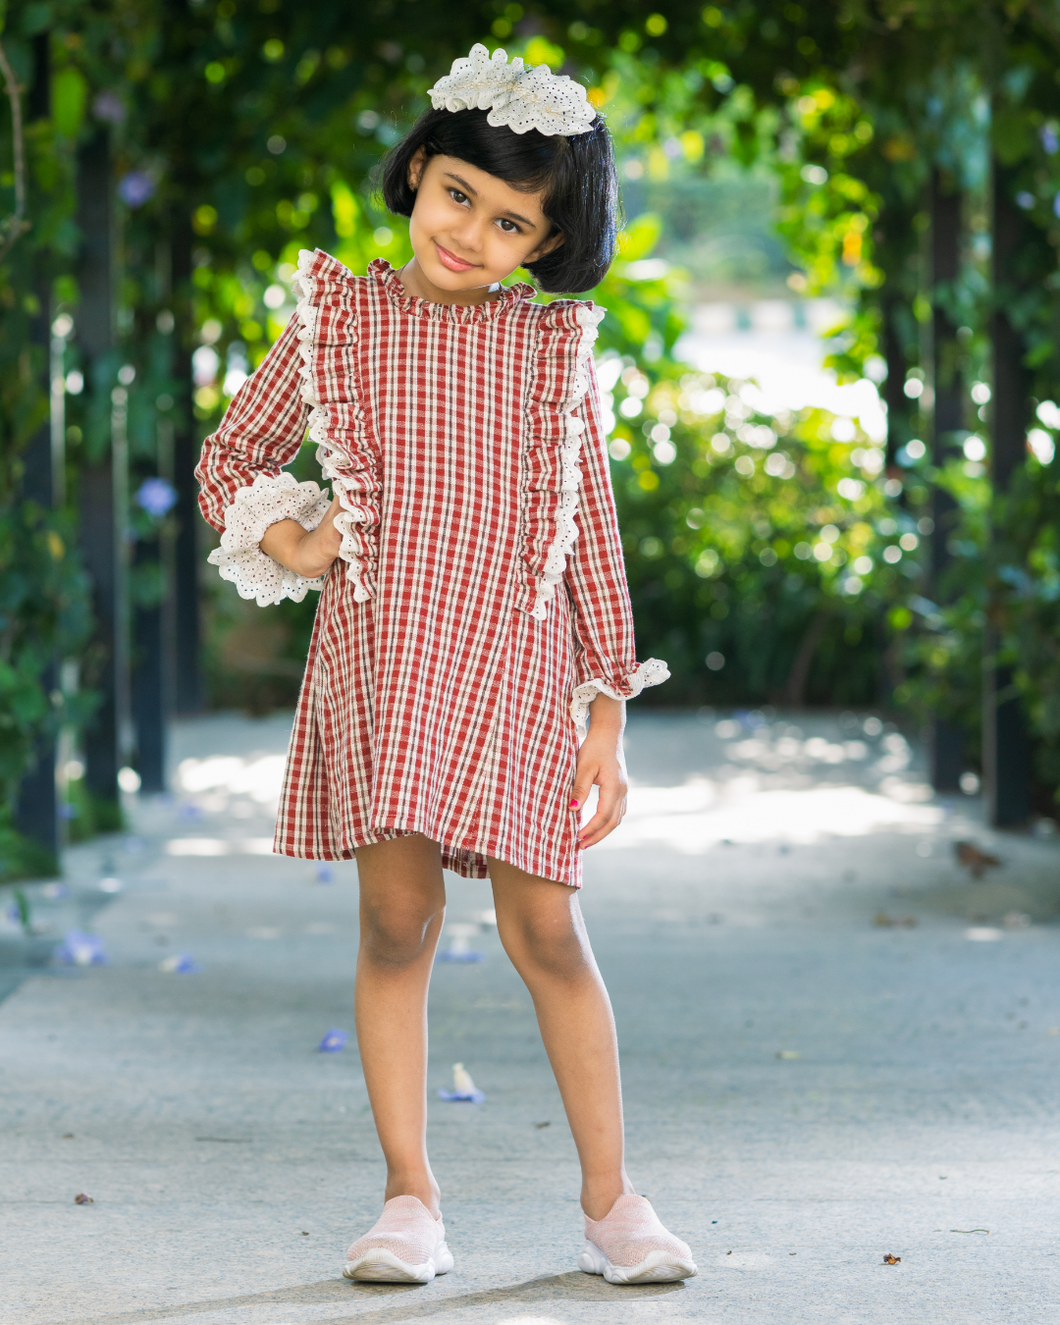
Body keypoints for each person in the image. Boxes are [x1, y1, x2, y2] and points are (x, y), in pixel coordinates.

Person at [196, 43, 694, 1289]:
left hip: (520, 669)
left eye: (512, 221)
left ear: (544, 245)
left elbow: (590, 524)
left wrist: (607, 705)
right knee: (397, 921)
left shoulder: (548, 352)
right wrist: (295, 535)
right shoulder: (339, 319)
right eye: (459, 193)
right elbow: (226, 459)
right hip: (385, 658)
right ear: (418, 171)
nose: (471, 233)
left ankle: (612, 1200)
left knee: (548, 929)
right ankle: (409, 1195)